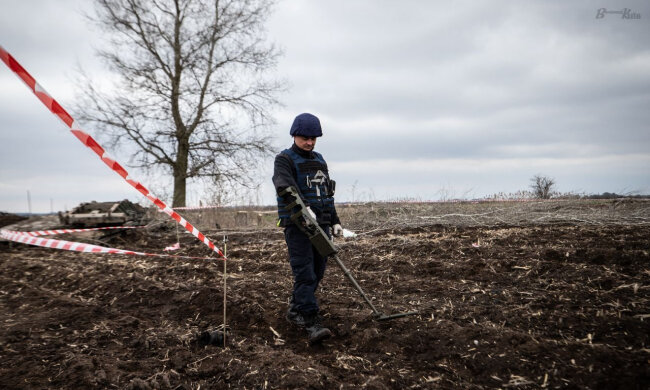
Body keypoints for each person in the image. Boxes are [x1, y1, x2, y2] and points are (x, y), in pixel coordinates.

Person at [272, 113, 344, 344]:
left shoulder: (319, 160)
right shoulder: (285, 159)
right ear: (294, 135)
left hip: (321, 224)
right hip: (298, 225)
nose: (310, 142)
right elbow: (285, 185)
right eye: (305, 137)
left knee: (318, 272)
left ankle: (295, 310)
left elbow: (326, 193)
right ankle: (310, 320)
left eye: (313, 138)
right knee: (305, 272)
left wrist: (335, 220)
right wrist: (303, 208)